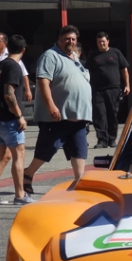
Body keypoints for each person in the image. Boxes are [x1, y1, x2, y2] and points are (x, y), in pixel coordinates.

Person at [23, 25, 92, 194]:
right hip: (57, 117)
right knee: (47, 150)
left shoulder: (75, 57)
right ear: (59, 39)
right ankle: (27, 174)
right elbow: (43, 82)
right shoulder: (50, 56)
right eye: (67, 38)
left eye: (73, 39)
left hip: (78, 117)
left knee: (79, 150)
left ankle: (79, 182)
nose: (70, 42)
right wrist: (51, 106)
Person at [0, 35, 34, 205]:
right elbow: (9, 93)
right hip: (8, 119)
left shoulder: (0, 65)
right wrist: (19, 115)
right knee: (19, 155)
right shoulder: (14, 66)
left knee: (3, 156)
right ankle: (20, 195)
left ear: (8, 47)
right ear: (23, 50)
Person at [87, 31, 130, 149]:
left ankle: (112, 140)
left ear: (108, 41)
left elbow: (124, 70)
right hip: (97, 90)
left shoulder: (115, 53)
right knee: (99, 115)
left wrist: (127, 85)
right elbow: (87, 72)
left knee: (112, 114)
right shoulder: (93, 56)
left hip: (114, 89)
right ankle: (101, 140)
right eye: (99, 42)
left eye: (103, 41)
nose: (101, 43)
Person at [0, 32, 32, 102]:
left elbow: (24, 74)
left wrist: (28, 90)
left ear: (5, 43)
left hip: (6, 94)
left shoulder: (12, 55)